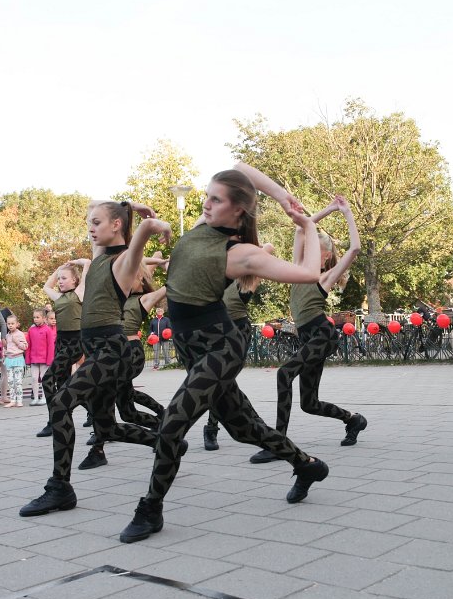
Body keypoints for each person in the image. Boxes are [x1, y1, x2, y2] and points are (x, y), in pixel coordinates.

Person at [118, 165, 330, 544]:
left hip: (220, 345)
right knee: (245, 428)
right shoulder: (205, 223)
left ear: (237, 211)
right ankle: (307, 465)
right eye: (207, 196)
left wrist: (308, 226)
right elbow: (243, 168)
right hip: (192, 347)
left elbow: (311, 273)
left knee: (172, 423)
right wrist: (282, 196)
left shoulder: (241, 253)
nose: (207, 203)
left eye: (216, 199)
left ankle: (150, 508)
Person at [19, 200, 164, 517]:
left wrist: (153, 222)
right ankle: (166, 442)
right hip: (97, 349)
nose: (91, 228)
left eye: (97, 222)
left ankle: (60, 488)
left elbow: (142, 234)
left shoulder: (125, 260)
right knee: (107, 428)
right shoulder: (99, 258)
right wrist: (128, 206)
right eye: (89, 223)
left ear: (116, 225)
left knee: (60, 402)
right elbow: (102, 222)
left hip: (111, 349)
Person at [251, 196, 366, 463]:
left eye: (313, 248)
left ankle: (278, 444)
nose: (305, 249)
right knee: (309, 403)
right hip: (307, 336)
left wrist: (347, 212)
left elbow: (355, 249)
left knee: (284, 375)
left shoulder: (324, 277)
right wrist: (329, 209)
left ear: (323, 255)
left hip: (321, 334)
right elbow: (302, 228)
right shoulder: (296, 269)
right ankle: (353, 420)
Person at [79, 262, 168, 470]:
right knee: (128, 412)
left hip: (131, 354)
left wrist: (166, 265)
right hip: (112, 353)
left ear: (142, 281)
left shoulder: (144, 298)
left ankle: (98, 449)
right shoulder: (117, 297)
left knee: (103, 394)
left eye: (134, 278)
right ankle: (162, 426)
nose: (128, 280)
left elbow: (170, 285)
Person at [200, 243, 275, 452]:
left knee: (223, 383)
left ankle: (212, 429)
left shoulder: (247, 279)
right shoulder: (216, 277)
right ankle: (259, 429)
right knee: (222, 384)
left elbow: (268, 248)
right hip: (215, 332)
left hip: (238, 332)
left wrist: (250, 250)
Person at [37, 263, 86, 438]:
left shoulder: (79, 293)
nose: (60, 281)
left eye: (64, 278)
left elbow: (88, 264)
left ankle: (54, 421)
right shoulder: (59, 297)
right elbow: (46, 286)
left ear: (75, 280)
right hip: (61, 341)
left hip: (75, 341)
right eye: (59, 279)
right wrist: (58, 270)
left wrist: (79, 261)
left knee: (48, 379)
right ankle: (92, 412)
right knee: (63, 384)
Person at [25, 308, 54, 406]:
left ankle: (44, 397)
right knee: (34, 378)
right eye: (34, 317)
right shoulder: (31, 330)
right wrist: (28, 359)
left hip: (44, 359)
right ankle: (36, 398)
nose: (35, 319)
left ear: (44, 318)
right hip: (34, 359)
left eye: (38, 317)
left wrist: (49, 360)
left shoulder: (47, 330)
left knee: (43, 378)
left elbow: (51, 346)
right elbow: (28, 345)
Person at [3, 315, 28, 407]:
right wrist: (4, 352)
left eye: (12, 323)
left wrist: (17, 341)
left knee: (18, 381)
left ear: (17, 324)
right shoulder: (7, 335)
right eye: (8, 324)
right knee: (10, 381)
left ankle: (19, 400)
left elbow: (25, 347)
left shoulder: (20, 334)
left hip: (18, 359)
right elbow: (7, 347)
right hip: (9, 360)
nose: (10, 325)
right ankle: (12, 400)